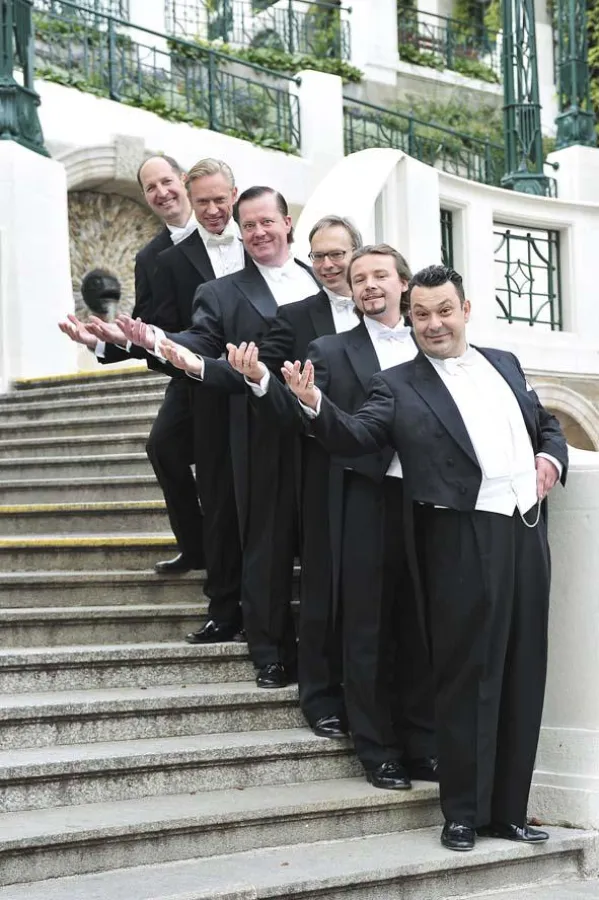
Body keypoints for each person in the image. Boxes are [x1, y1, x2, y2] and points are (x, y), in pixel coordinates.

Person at [281, 264, 567, 850]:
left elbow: (548, 424)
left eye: (444, 311)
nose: (434, 324)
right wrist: (314, 404)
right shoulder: (398, 383)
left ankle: (509, 811)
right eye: (421, 315)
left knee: (523, 670)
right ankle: (462, 812)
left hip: (526, 533)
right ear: (409, 318)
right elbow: (357, 436)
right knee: (466, 678)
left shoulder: (505, 362)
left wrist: (551, 459)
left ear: (466, 310)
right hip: (459, 539)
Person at [229, 245, 436, 788]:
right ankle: (378, 750)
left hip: (431, 504)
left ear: (404, 284)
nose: (369, 285)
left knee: (420, 626)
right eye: (358, 277)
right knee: (366, 629)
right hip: (365, 502)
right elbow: (295, 415)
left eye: (380, 276)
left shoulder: (431, 342)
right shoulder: (329, 348)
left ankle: (421, 742)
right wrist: (259, 382)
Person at [117, 187, 320, 689]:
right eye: (248, 226)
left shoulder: (324, 280)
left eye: (266, 222)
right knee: (266, 547)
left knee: (325, 546)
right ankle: (269, 651)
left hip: (323, 432)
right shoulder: (223, 292)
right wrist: (156, 341)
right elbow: (202, 342)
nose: (258, 233)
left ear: (287, 222)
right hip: (260, 434)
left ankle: (321, 652)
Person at [59, 157, 245, 643]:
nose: (161, 192)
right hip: (191, 376)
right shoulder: (152, 258)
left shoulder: (245, 233)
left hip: (252, 377)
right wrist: (105, 342)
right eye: (150, 187)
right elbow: (143, 329)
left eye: (167, 182)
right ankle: (200, 550)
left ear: (183, 183)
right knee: (169, 451)